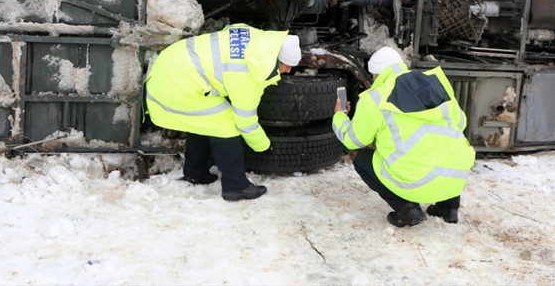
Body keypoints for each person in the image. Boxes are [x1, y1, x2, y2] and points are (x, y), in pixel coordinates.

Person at [145, 23, 301, 201]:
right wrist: (264, 146)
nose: (289, 71)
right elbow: (245, 122)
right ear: (275, 58)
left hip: (171, 68)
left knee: (206, 120)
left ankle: (196, 173)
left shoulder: (258, 39)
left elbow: (232, 28)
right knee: (226, 123)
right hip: (174, 86)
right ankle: (236, 186)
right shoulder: (248, 72)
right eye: (286, 65)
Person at [332, 47, 475, 227]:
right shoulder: (436, 85)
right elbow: (460, 123)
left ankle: (407, 210)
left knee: (362, 160)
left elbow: (353, 140)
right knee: (445, 148)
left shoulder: (375, 98)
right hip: (455, 178)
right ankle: (449, 208)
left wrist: (339, 116)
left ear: (376, 74)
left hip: (416, 182)